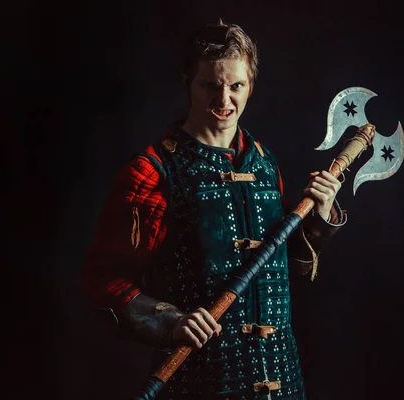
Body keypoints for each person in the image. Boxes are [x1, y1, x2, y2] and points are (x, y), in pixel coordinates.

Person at [82, 19, 347, 400]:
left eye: (236, 86)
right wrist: (170, 321)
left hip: (283, 385)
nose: (224, 100)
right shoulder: (151, 173)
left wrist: (319, 219)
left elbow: (283, 273)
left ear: (250, 86)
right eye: (210, 85)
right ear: (188, 81)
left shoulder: (263, 163)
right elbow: (103, 280)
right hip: (201, 385)